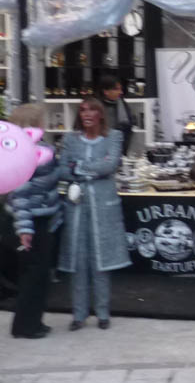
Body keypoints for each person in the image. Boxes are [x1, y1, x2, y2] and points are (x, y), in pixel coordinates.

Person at [58, 97, 131, 330]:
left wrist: (78, 167)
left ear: (100, 114)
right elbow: (62, 168)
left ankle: (102, 312)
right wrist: (90, 168)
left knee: (101, 260)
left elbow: (110, 165)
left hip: (103, 206)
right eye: (82, 111)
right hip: (77, 207)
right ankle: (78, 314)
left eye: (91, 110)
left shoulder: (113, 137)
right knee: (78, 260)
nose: (86, 114)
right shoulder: (70, 139)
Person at [5, 104, 63, 339]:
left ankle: (32, 321)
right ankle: (26, 326)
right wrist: (25, 230)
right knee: (34, 275)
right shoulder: (31, 155)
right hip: (32, 222)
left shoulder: (21, 151)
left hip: (34, 218)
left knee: (34, 274)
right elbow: (21, 194)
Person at [99, 75, 135, 153]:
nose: (120, 92)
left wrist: (123, 150)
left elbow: (128, 129)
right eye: (116, 89)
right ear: (106, 91)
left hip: (118, 149)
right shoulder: (95, 106)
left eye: (120, 89)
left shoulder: (123, 105)